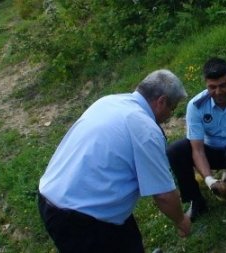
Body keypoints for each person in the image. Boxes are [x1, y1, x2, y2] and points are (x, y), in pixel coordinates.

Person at [38, 69, 191, 252]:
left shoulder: (108, 102)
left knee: (128, 238)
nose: (169, 116)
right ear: (161, 101)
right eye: (172, 108)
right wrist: (181, 221)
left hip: (50, 198)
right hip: (81, 220)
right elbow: (164, 195)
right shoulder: (145, 128)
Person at [166, 57, 226, 221]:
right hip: (209, 150)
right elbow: (197, 149)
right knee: (175, 151)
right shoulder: (195, 105)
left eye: (223, 86)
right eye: (212, 87)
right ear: (205, 83)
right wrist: (209, 180)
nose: (218, 92)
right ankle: (196, 200)